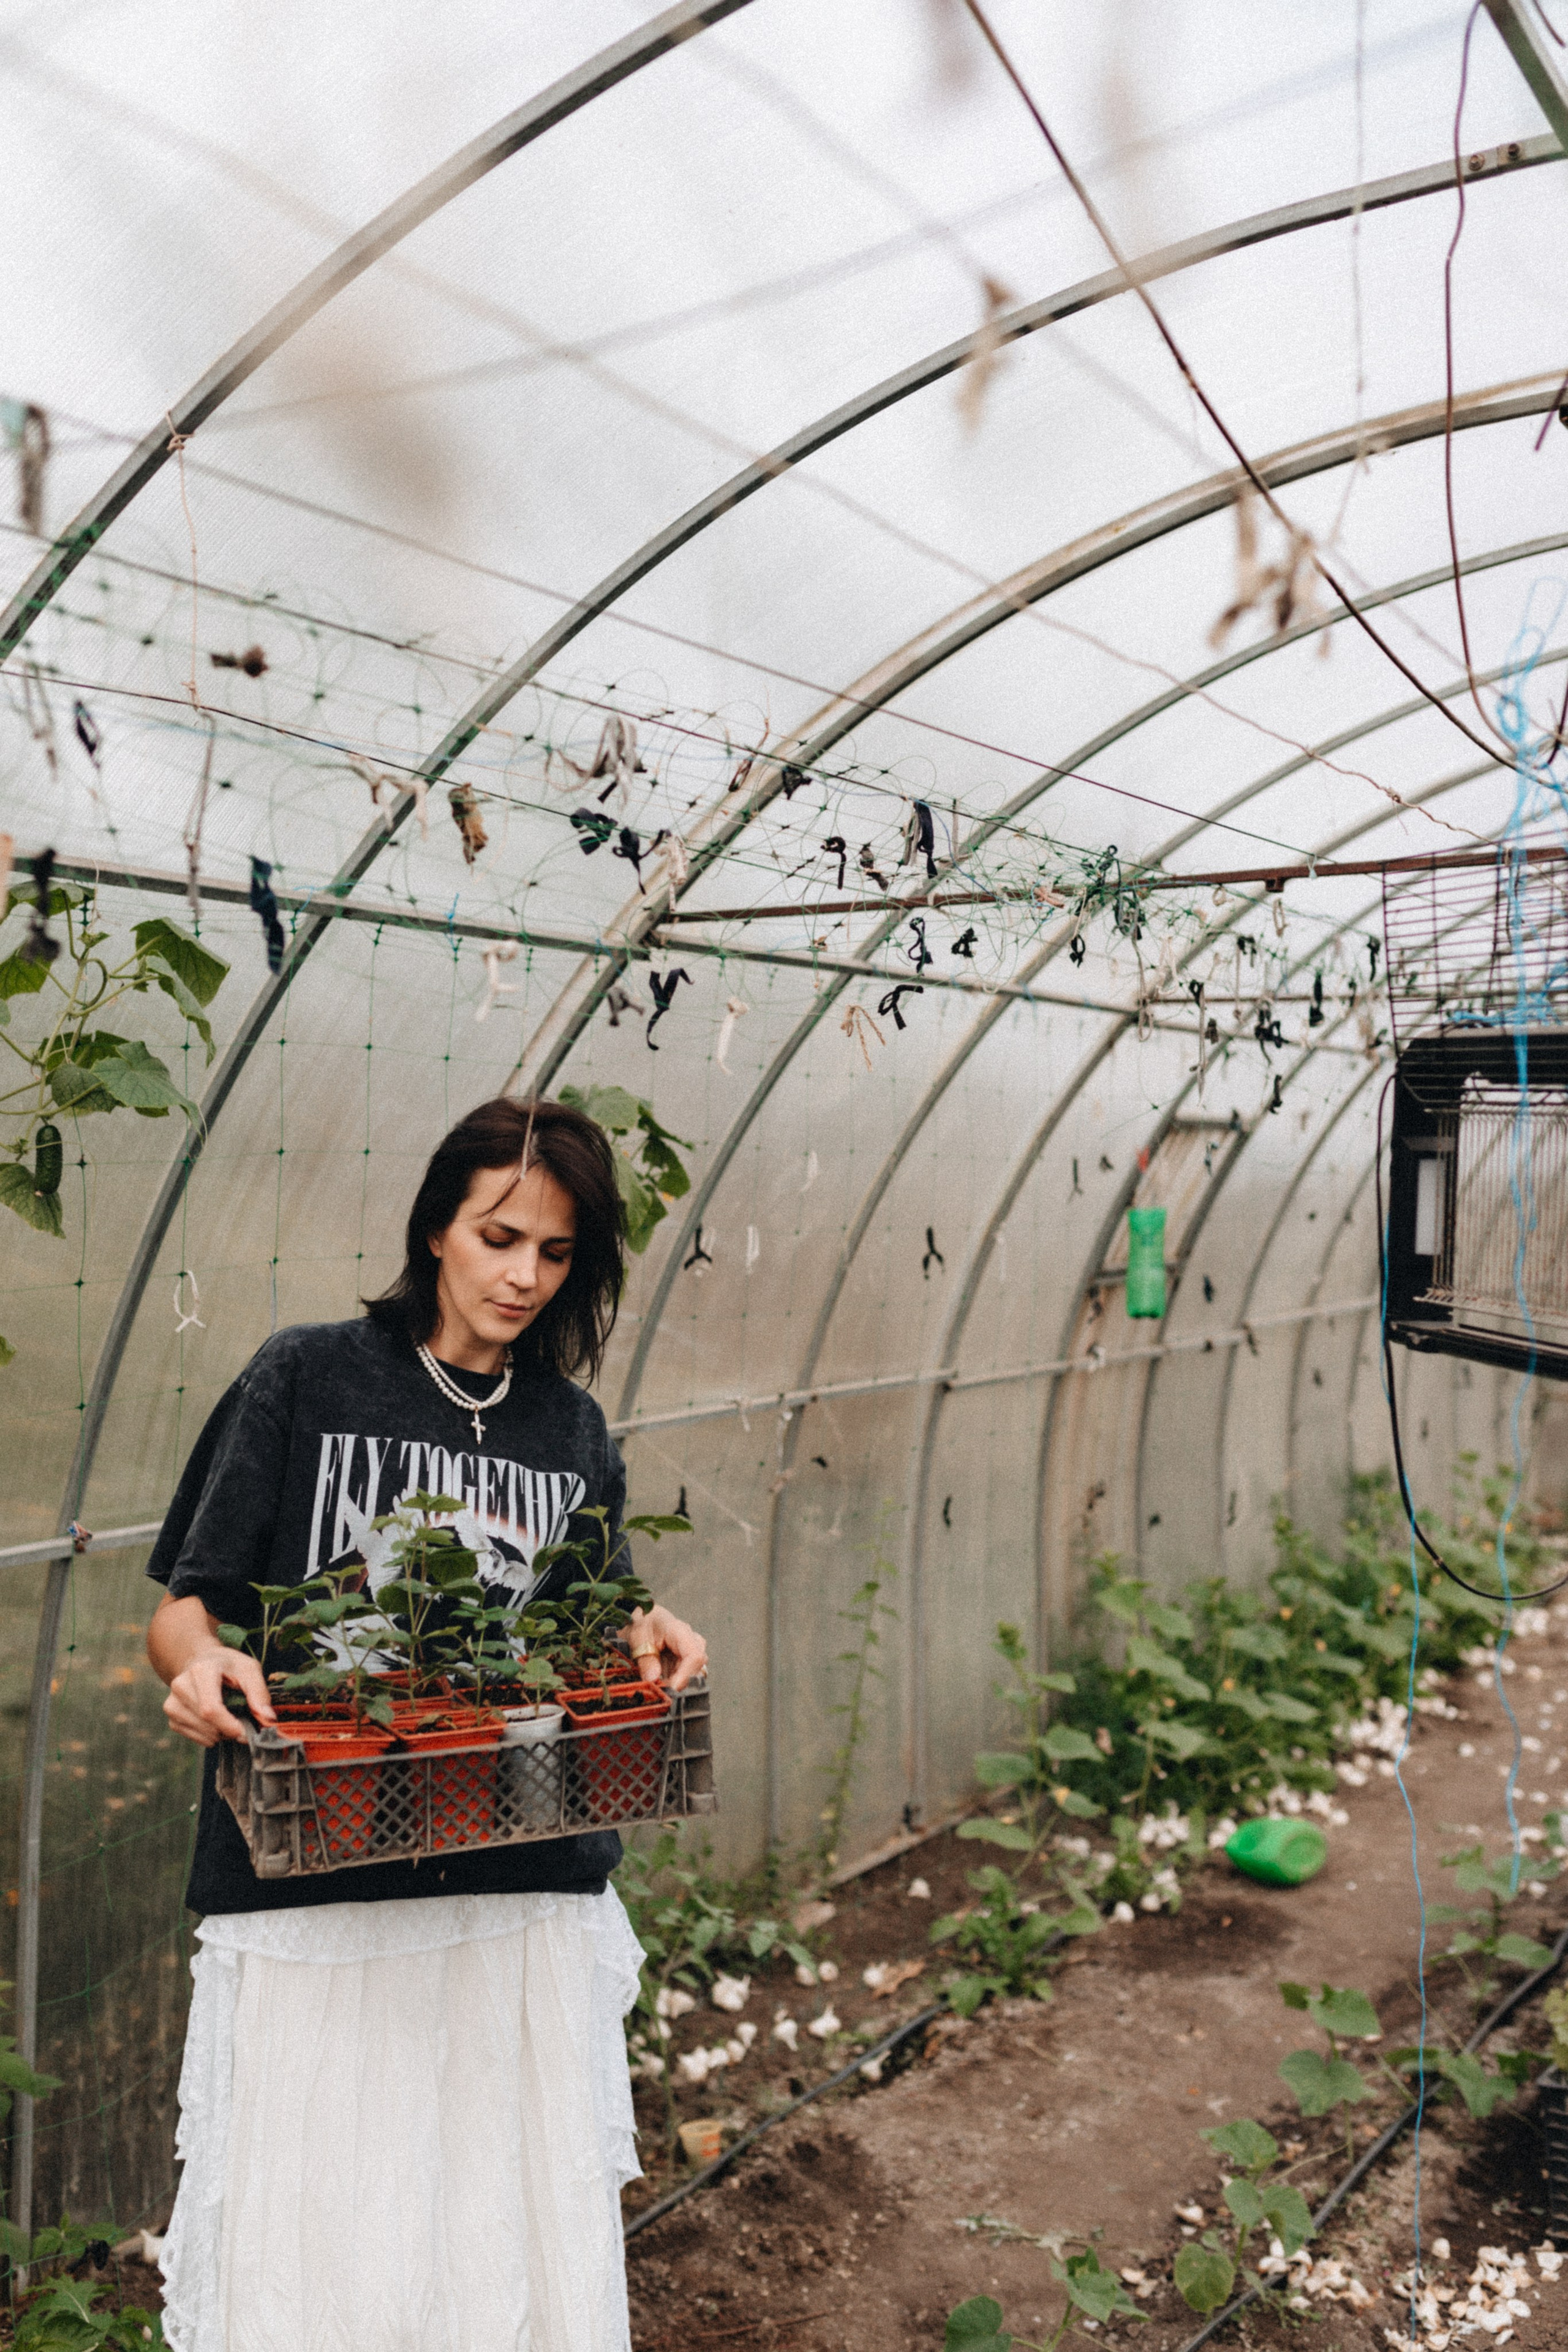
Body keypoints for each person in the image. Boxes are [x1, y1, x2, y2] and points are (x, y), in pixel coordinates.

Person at [145, 1096, 706, 2352]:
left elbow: (590, 1625)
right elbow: (188, 1608)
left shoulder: (568, 1429)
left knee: (489, 2231)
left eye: (554, 1253)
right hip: (316, 1882)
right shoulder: (307, 1376)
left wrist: (646, 1633)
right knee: (328, 2234)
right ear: (437, 1230)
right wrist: (201, 1668)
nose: (523, 1276)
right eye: (498, 1236)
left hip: (515, 1885)